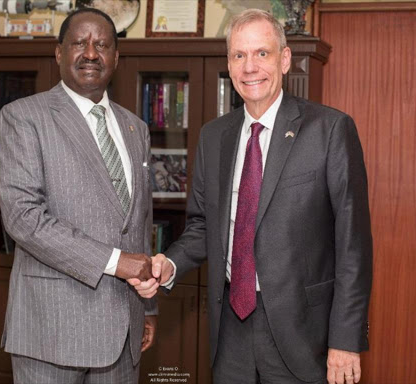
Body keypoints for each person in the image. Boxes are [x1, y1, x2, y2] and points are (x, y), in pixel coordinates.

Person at [132, 9, 372, 384]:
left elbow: (353, 246)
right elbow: (201, 226)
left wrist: (345, 339)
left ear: (285, 59)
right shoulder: (214, 137)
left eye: (262, 53)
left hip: (304, 334)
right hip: (230, 330)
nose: (250, 67)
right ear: (228, 63)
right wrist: (170, 263)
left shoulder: (330, 130)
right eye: (239, 55)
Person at [0, 8, 156, 384]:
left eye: (102, 45)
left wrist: (148, 307)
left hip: (124, 331)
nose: (91, 53)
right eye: (79, 43)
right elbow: (23, 217)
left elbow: (140, 220)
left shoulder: (136, 127)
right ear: (59, 53)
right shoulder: (23, 118)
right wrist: (117, 262)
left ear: (116, 57)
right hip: (52, 330)